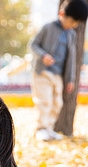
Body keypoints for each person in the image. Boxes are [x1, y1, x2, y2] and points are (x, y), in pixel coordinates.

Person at [29, 0, 88, 141]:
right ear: (62, 14)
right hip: (42, 72)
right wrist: (43, 55)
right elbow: (33, 44)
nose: (73, 25)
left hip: (58, 75)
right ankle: (41, 129)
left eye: (76, 24)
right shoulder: (48, 27)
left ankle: (49, 129)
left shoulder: (71, 35)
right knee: (45, 101)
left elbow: (72, 59)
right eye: (72, 22)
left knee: (57, 103)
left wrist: (70, 79)